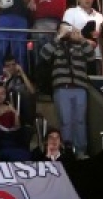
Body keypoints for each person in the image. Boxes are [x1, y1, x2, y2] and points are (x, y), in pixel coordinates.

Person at [39, 20, 98, 157]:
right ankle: (67, 151)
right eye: (63, 29)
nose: (67, 31)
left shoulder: (80, 44)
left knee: (80, 121)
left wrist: (82, 39)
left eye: (68, 29)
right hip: (61, 87)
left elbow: (91, 57)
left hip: (80, 86)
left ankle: (81, 151)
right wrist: (58, 37)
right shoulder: (55, 44)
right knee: (65, 120)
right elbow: (44, 54)